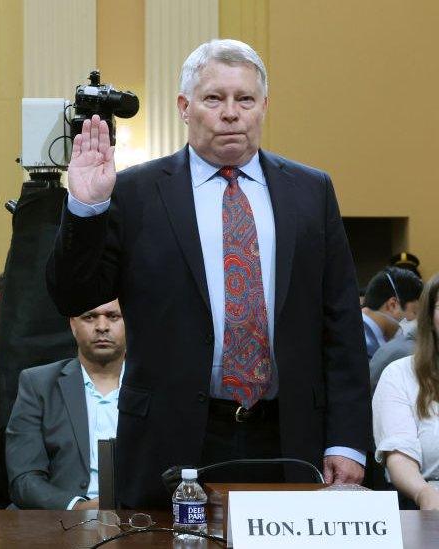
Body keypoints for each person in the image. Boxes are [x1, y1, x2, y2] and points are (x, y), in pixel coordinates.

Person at [47, 39, 371, 509]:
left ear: (264, 106)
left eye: (245, 99)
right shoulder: (136, 192)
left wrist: (346, 440)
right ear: (184, 107)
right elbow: (72, 294)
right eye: (214, 99)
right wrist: (86, 206)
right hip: (171, 436)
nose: (231, 113)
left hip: (290, 434)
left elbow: (341, 323)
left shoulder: (310, 191)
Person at [6, 300, 126, 509]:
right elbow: (24, 478)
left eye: (113, 316)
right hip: (61, 521)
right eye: (90, 317)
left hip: (138, 519)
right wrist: (77, 508)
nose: (102, 326)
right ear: (72, 324)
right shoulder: (38, 384)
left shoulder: (154, 387)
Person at [373, 274, 439, 510]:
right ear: (429, 317)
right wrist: (423, 493)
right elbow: (400, 456)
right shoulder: (400, 374)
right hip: (430, 501)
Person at [361, 267, 421, 360]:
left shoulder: (372, 337)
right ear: (392, 305)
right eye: (415, 312)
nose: (416, 321)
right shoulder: (359, 342)